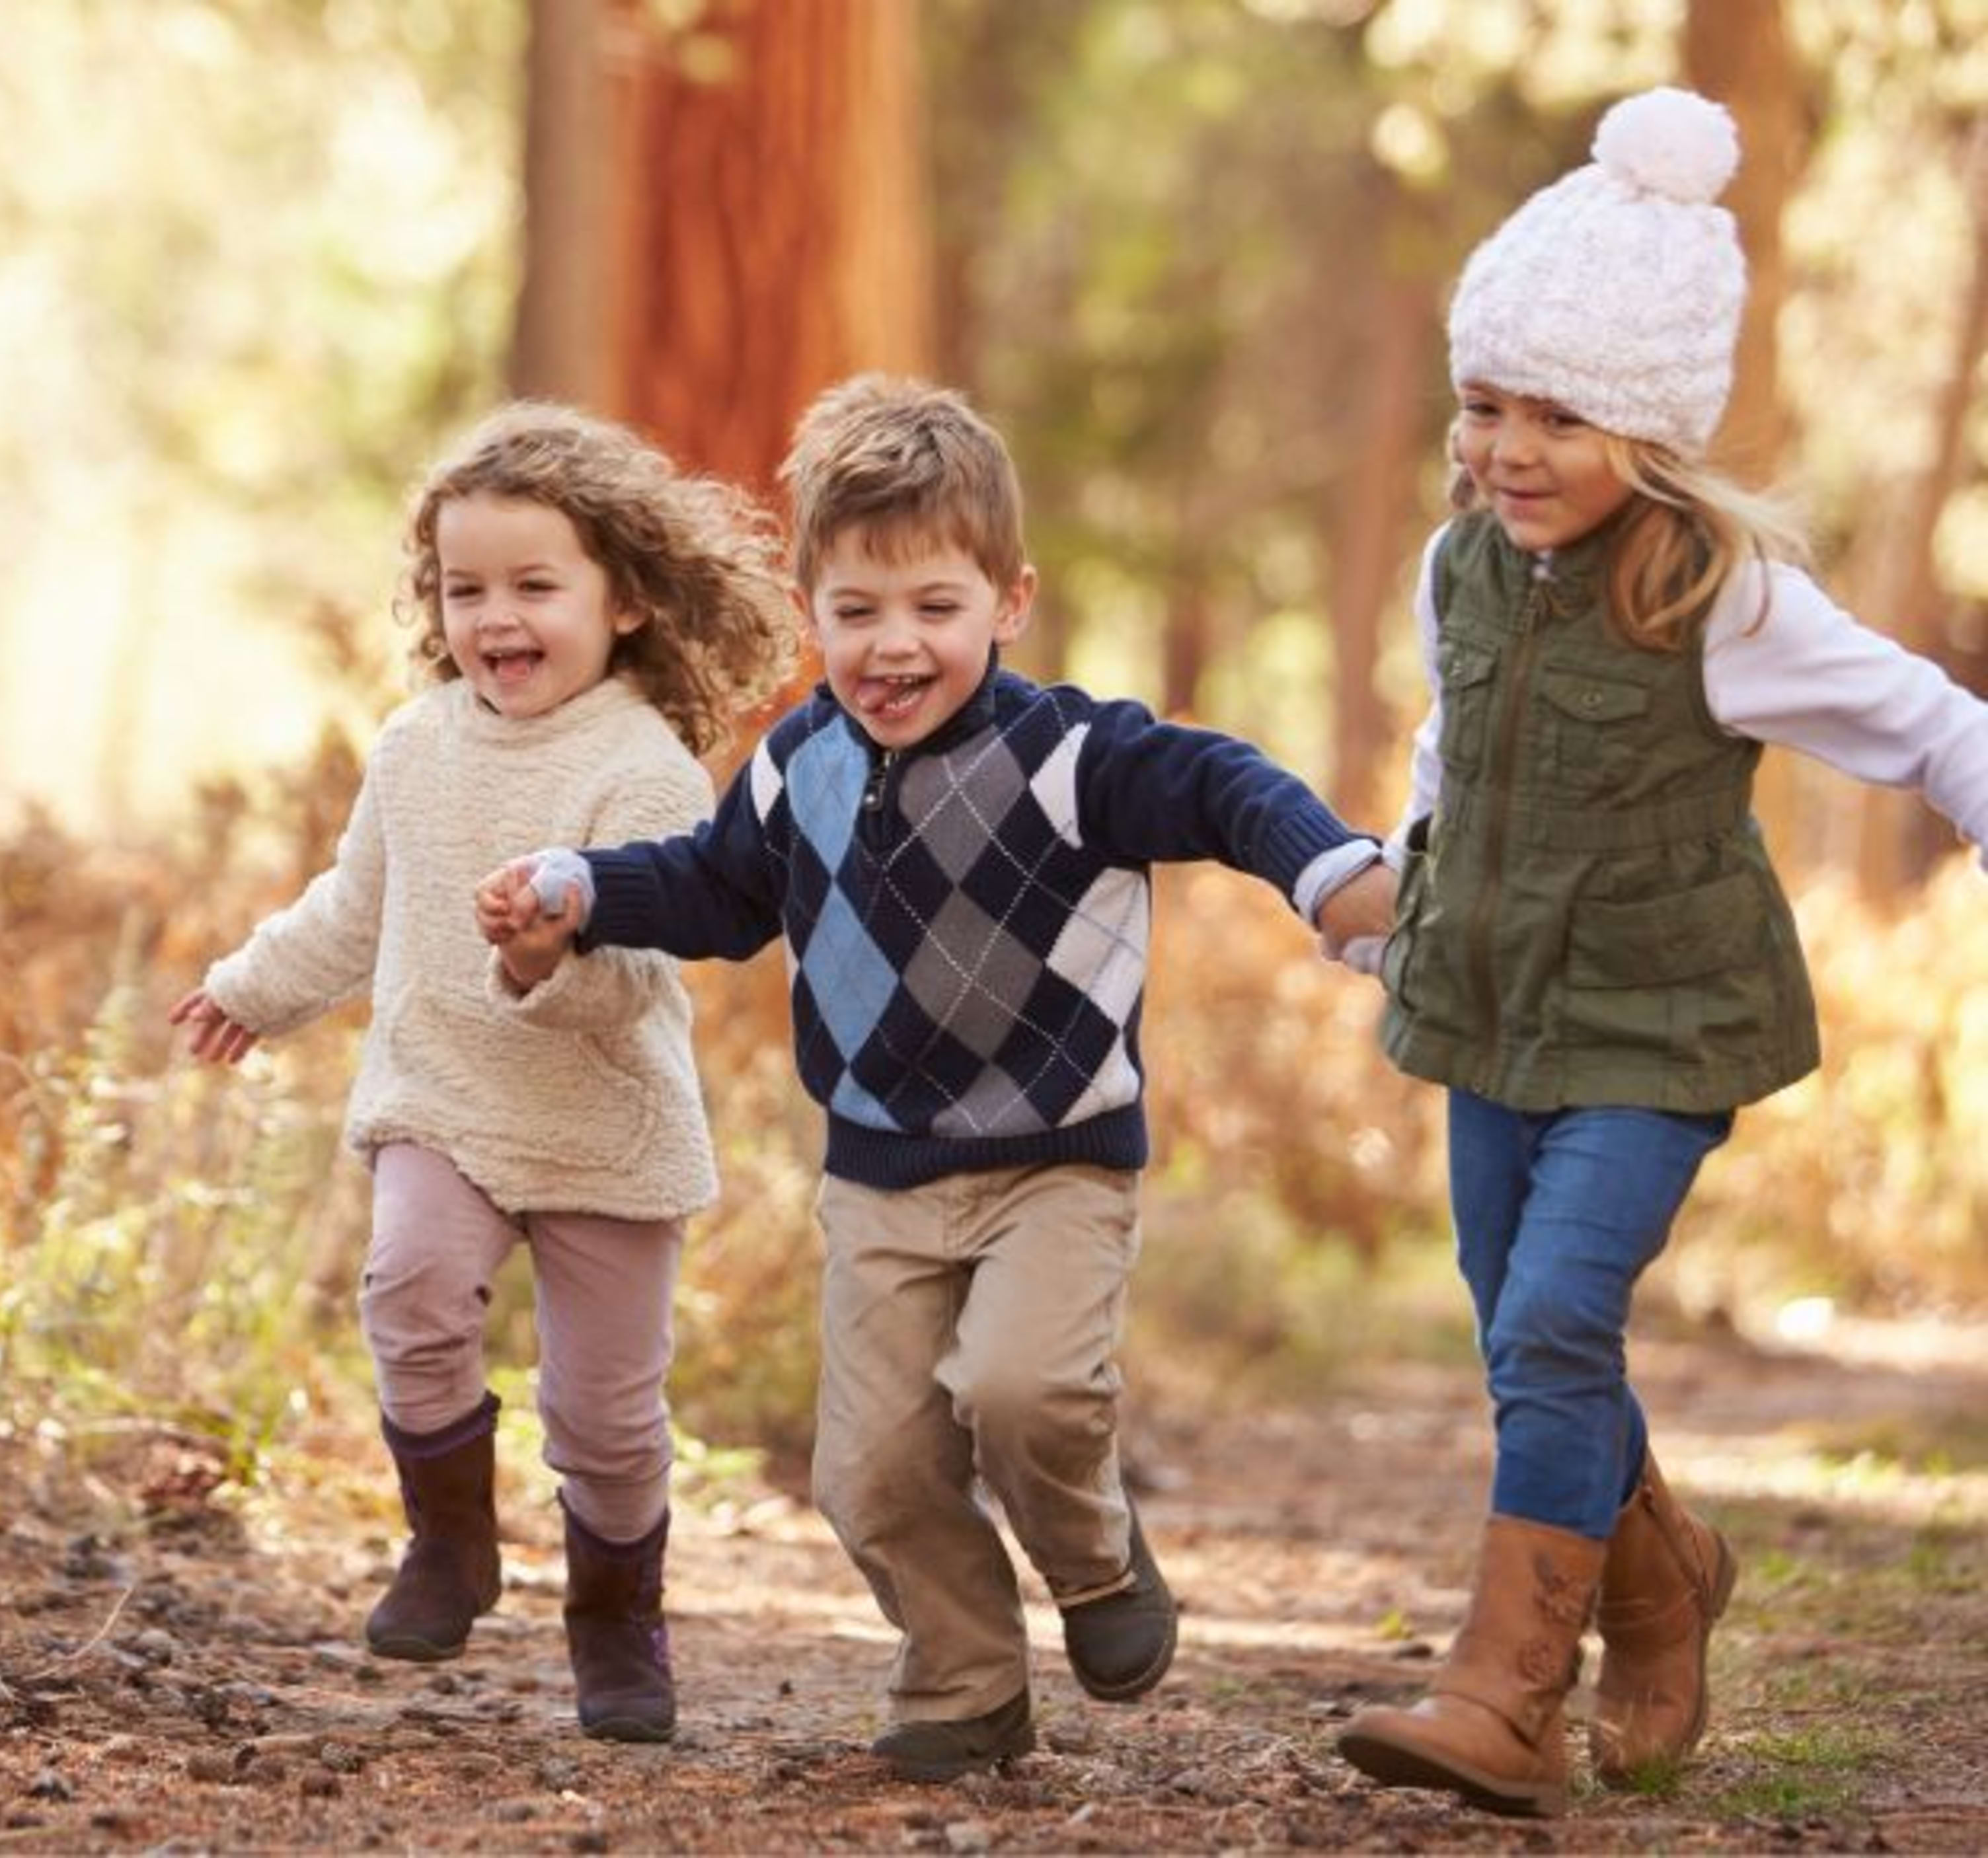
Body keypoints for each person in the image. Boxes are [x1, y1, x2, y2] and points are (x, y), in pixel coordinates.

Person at [475, 375, 1396, 1781]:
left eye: (933, 607)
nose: (893, 646)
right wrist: (580, 886)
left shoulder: (1073, 757)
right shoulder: (799, 768)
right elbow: (719, 892)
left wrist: (1329, 869)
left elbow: (1221, 784)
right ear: (812, 612)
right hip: (881, 1170)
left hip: (1055, 1152)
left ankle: (1092, 1560)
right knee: (874, 1468)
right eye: (855, 612)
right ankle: (965, 1676)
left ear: (1009, 600)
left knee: (1027, 1392)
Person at [1334, 88, 1988, 1819]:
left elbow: (1932, 730)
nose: (1511, 447)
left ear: (1654, 431)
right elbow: (1449, 759)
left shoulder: (1723, 594)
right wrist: (1400, 894)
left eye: (1563, 415)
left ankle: (1504, 1696)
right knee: (1517, 1326)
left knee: (1556, 1309)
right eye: (1487, 406)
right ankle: (1659, 1573)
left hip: (1662, 1015)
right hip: (1492, 1008)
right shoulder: (1457, 567)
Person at [172, 403, 797, 1743]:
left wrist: (540, 958)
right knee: (406, 1285)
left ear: (624, 597)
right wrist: (249, 989)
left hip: (603, 1125)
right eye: (465, 590)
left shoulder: (646, 769)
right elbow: (352, 907)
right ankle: (450, 1540)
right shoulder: (417, 745)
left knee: (608, 1420)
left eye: (534, 586)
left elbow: (638, 981)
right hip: (443, 1095)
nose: (495, 619)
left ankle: (617, 1617)